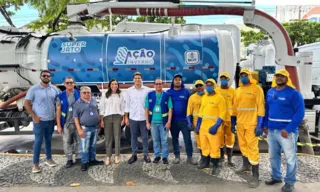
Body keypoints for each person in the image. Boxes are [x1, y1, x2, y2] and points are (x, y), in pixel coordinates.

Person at [264, 69, 304, 192]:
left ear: (287, 78)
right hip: (271, 130)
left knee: (290, 158)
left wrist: (289, 129)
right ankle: (276, 177)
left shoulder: (294, 94)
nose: (279, 78)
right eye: (277, 76)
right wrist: (265, 125)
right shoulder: (270, 92)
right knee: (273, 156)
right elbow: (267, 110)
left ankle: (290, 183)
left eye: (282, 76)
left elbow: (300, 113)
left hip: (286, 132)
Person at [231, 68, 265, 188]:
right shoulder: (238, 90)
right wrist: (232, 123)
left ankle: (255, 176)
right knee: (243, 146)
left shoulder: (257, 89)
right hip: (240, 124)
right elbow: (235, 108)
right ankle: (246, 166)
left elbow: (261, 108)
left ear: (250, 76)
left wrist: (260, 125)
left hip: (252, 124)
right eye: (241, 76)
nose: (243, 77)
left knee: (252, 148)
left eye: (245, 75)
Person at [24, 70, 60, 173]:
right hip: (40, 121)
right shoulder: (34, 89)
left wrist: (57, 119)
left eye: (48, 76)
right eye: (44, 76)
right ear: (40, 77)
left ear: (50, 78)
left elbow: (58, 104)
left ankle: (49, 159)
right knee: (38, 142)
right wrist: (34, 116)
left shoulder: (54, 89)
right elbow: (26, 104)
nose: (46, 77)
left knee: (48, 140)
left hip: (50, 120)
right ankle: (35, 164)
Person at [195, 78, 227, 175]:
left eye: (210, 85)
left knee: (214, 148)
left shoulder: (220, 98)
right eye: (207, 85)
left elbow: (222, 114)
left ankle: (216, 166)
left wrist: (216, 126)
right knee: (204, 147)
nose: (208, 87)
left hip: (214, 128)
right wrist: (198, 126)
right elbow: (201, 113)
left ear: (214, 86)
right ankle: (206, 163)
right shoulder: (204, 97)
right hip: (203, 128)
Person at [167, 74, 196, 165]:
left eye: (179, 80)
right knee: (175, 139)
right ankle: (177, 156)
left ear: (181, 81)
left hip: (184, 121)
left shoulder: (186, 92)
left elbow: (191, 106)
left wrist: (190, 120)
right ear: (173, 81)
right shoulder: (169, 92)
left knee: (187, 139)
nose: (177, 81)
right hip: (174, 121)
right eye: (176, 80)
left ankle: (190, 157)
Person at [73, 86, 104, 171]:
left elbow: (96, 110)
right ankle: (84, 162)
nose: (87, 94)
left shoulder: (93, 100)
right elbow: (75, 117)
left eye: (88, 92)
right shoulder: (77, 103)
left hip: (94, 127)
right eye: (84, 92)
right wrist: (79, 129)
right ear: (80, 93)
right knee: (85, 147)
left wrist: (99, 121)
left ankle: (92, 160)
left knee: (93, 145)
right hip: (85, 128)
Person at [124, 72, 151, 164]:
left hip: (144, 118)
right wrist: (126, 117)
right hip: (133, 118)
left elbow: (149, 104)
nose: (137, 79)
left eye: (139, 78)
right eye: (136, 78)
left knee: (144, 137)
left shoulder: (147, 90)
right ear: (133, 80)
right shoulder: (129, 91)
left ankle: (146, 155)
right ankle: (134, 155)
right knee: (134, 137)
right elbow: (127, 105)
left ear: (141, 79)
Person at [145, 78, 173, 164]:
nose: (158, 85)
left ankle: (165, 157)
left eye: (160, 84)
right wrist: (147, 122)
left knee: (164, 141)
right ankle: (157, 156)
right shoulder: (149, 95)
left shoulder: (166, 95)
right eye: (156, 84)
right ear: (154, 85)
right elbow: (146, 109)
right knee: (155, 140)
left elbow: (170, 109)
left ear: (162, 85)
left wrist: (169, 122)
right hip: (153, 122)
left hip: (163, 123)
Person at [56, 76, 81, 168]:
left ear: (74, 84)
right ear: (64, 84)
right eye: (67, 83)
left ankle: (79, 158)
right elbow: (58, 111)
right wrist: (59, 125)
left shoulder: (79, 93)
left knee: (78, 141)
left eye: (71, 82)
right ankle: (69, 159)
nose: (69, 84)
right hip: (66, 123)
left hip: (78, 123)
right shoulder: (60, 96)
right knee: (67, 142)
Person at [99, 79, 125, 166]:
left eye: (116, 84)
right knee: (108, 138)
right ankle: (108, 156)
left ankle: (117, 156)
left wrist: (124, 118)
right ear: (110, 85)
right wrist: (101, 119)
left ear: (118, 85)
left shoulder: (120, 95)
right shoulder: (105, 95)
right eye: (113, 84)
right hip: (107, 118)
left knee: (117, 137)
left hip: (118, 117)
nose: (114, 85)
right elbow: (102, 107)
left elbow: (123, 107)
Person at [186, 80, 208, 168]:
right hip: (196, 124)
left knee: (208, 142)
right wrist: (189, 122)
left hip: (207, 123)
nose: (199, 87)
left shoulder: (208, 96)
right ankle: (203, 158)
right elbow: (189, 111)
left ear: (204, 86)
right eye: (197, 86)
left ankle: (208, 160)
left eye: (201, 85)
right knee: (200, 142)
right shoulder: (192, 98)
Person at [216, 72, 236, 166]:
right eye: (222, 79)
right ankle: (221, 156)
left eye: (225, 79)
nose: (223, 80)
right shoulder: (216, 90)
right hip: (219, 118)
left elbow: (235, 105)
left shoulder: (233, 91)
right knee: (220, 137)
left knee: (230, 138)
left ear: (228, 80)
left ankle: (230, 158)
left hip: (230, 118)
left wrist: (235, 120)